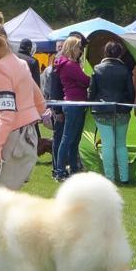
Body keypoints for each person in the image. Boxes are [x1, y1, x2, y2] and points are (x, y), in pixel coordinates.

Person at [0, 16, 46, 189]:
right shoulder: (21, 64)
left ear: (2, 40)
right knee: (6, 202)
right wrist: (44, 114)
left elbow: (7, 113)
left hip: (10, 140)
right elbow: (37, 94)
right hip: (28, 137)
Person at [88, 41, 135, 183]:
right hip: (122, 111)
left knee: (108, 144)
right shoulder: (126, 70)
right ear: (120, 53)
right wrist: (127, 106)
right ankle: (124, 177)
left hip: (101, 111)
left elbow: (91, 92)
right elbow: (131, 92)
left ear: (105, 52)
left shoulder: (97, 69)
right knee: (121, 144)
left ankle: (110, 178)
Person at [54, 36, 90, 182]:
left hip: (75, 103)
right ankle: (60, 171)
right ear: (72, 48)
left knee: (74, 138)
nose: (80, 50)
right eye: (78, 47)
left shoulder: (69, 64)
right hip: (73, 104)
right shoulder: (70, 65)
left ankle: (73, 168)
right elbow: (86, 80)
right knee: (68, 138)